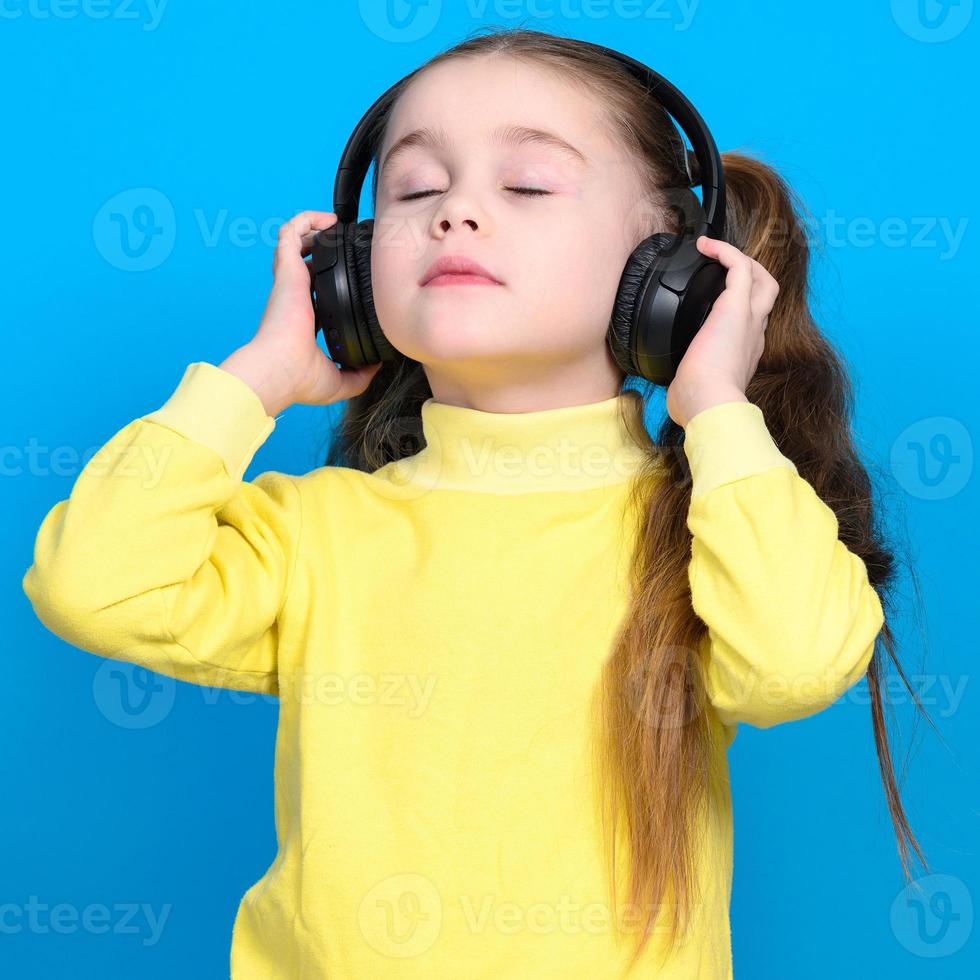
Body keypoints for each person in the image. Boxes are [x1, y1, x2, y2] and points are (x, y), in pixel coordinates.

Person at [22, 26, 929, 979]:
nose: (455, 212)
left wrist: (717, 409)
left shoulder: (707, 530)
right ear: (352, 272)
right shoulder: (316, 532)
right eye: (415, 190)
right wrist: (260, 376)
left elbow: (796, 663)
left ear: (668, 274)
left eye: (527, 185)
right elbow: (92, 584)